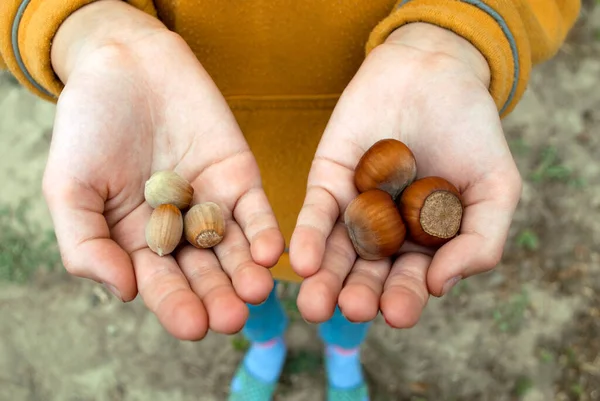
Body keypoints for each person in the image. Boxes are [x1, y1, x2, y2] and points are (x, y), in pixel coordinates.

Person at [0, 0, 582, 399]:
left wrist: (452, 36)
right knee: (240, 281)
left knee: (347, 288)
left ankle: (343, 352)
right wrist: (93, 28)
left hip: (356, 152)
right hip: (198, 153)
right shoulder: (198, 182)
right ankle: (267, 340)